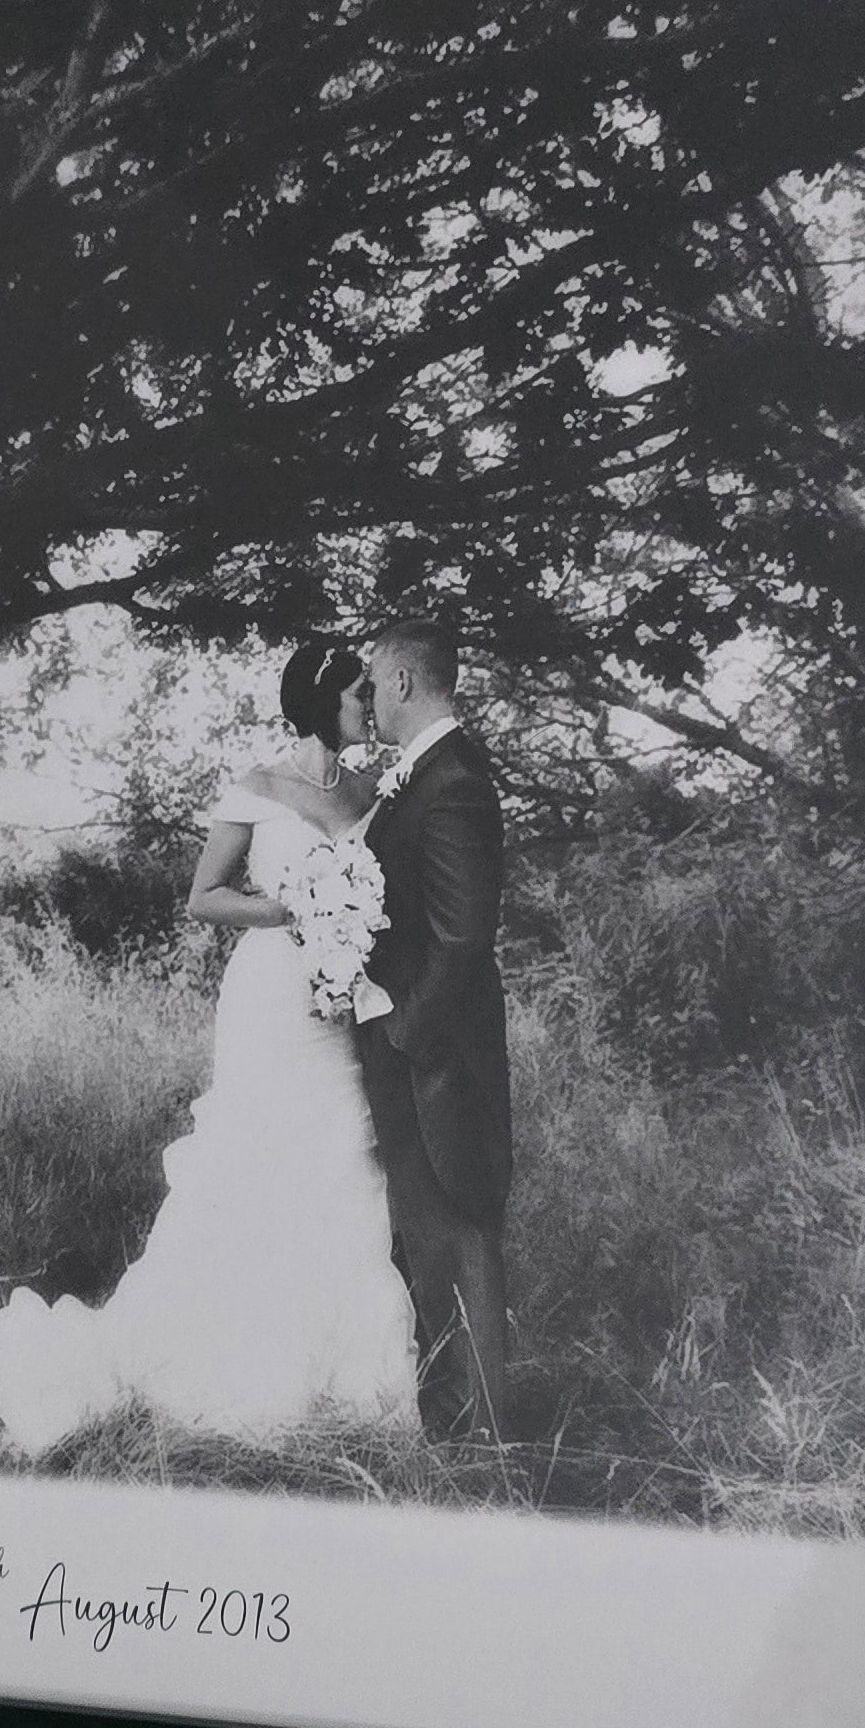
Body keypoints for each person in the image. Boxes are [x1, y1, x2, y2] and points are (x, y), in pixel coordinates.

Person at [0, 642, 418, 1457]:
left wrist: (352, 926)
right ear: (320, 703)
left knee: (341, 1152)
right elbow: (203, 897)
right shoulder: (258, 788)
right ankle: (231, 1352)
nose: (367, 706)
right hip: (271, 998)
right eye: (355, 694)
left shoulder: (375, 788)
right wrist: (286, 911)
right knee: (258, 1156)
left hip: (341, 1000)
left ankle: (345, 1371)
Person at [258, 615, 513, 1442]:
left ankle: (483, 1434)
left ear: (402, 682)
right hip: (403, 1046)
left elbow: (464, 936)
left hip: (434, 1055)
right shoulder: (422, 773)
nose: (370, 695)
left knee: (459, 1233)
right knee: (428, 1239)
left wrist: (405, 1031)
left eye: (375, 680)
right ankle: (450, 1417)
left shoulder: (453, 781)